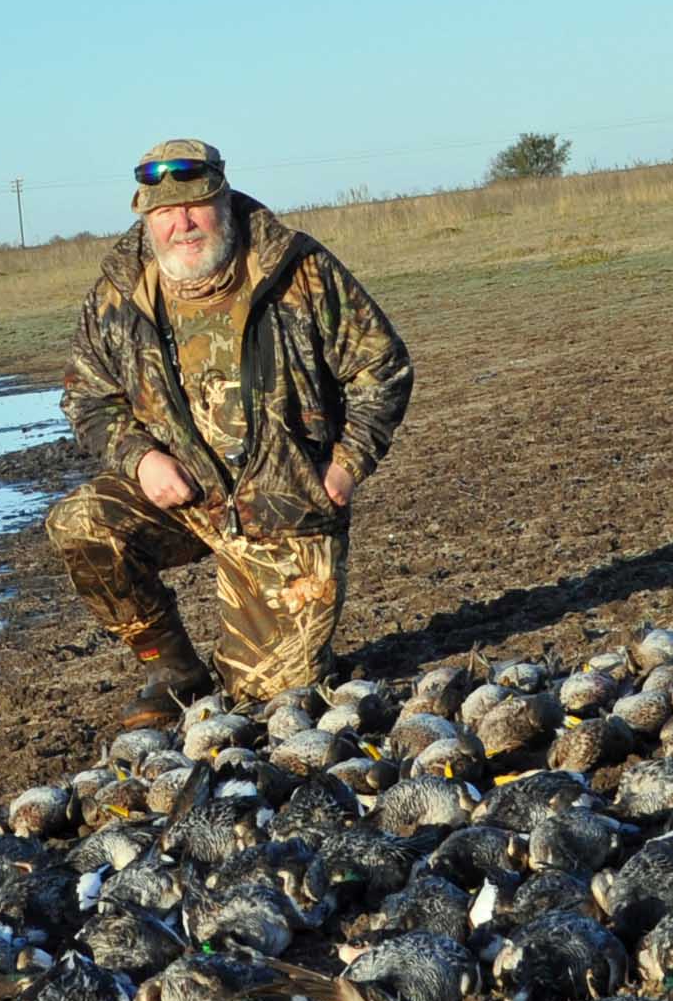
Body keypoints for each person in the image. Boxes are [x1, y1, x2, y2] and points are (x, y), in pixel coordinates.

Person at [49, 138, 412, 728]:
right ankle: (172, 669)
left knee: (271, 703)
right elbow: (88, 397)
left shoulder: (297, 268)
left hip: (284, 509)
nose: (182, 224)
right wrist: (140, 459)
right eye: (165, 213)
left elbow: (383, 367)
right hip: (185, 500)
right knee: (80, 524)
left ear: (223, 198)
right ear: (146, 215)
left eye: (194, 206)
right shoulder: (119, 291)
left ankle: (260, 655)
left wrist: (346, 465)